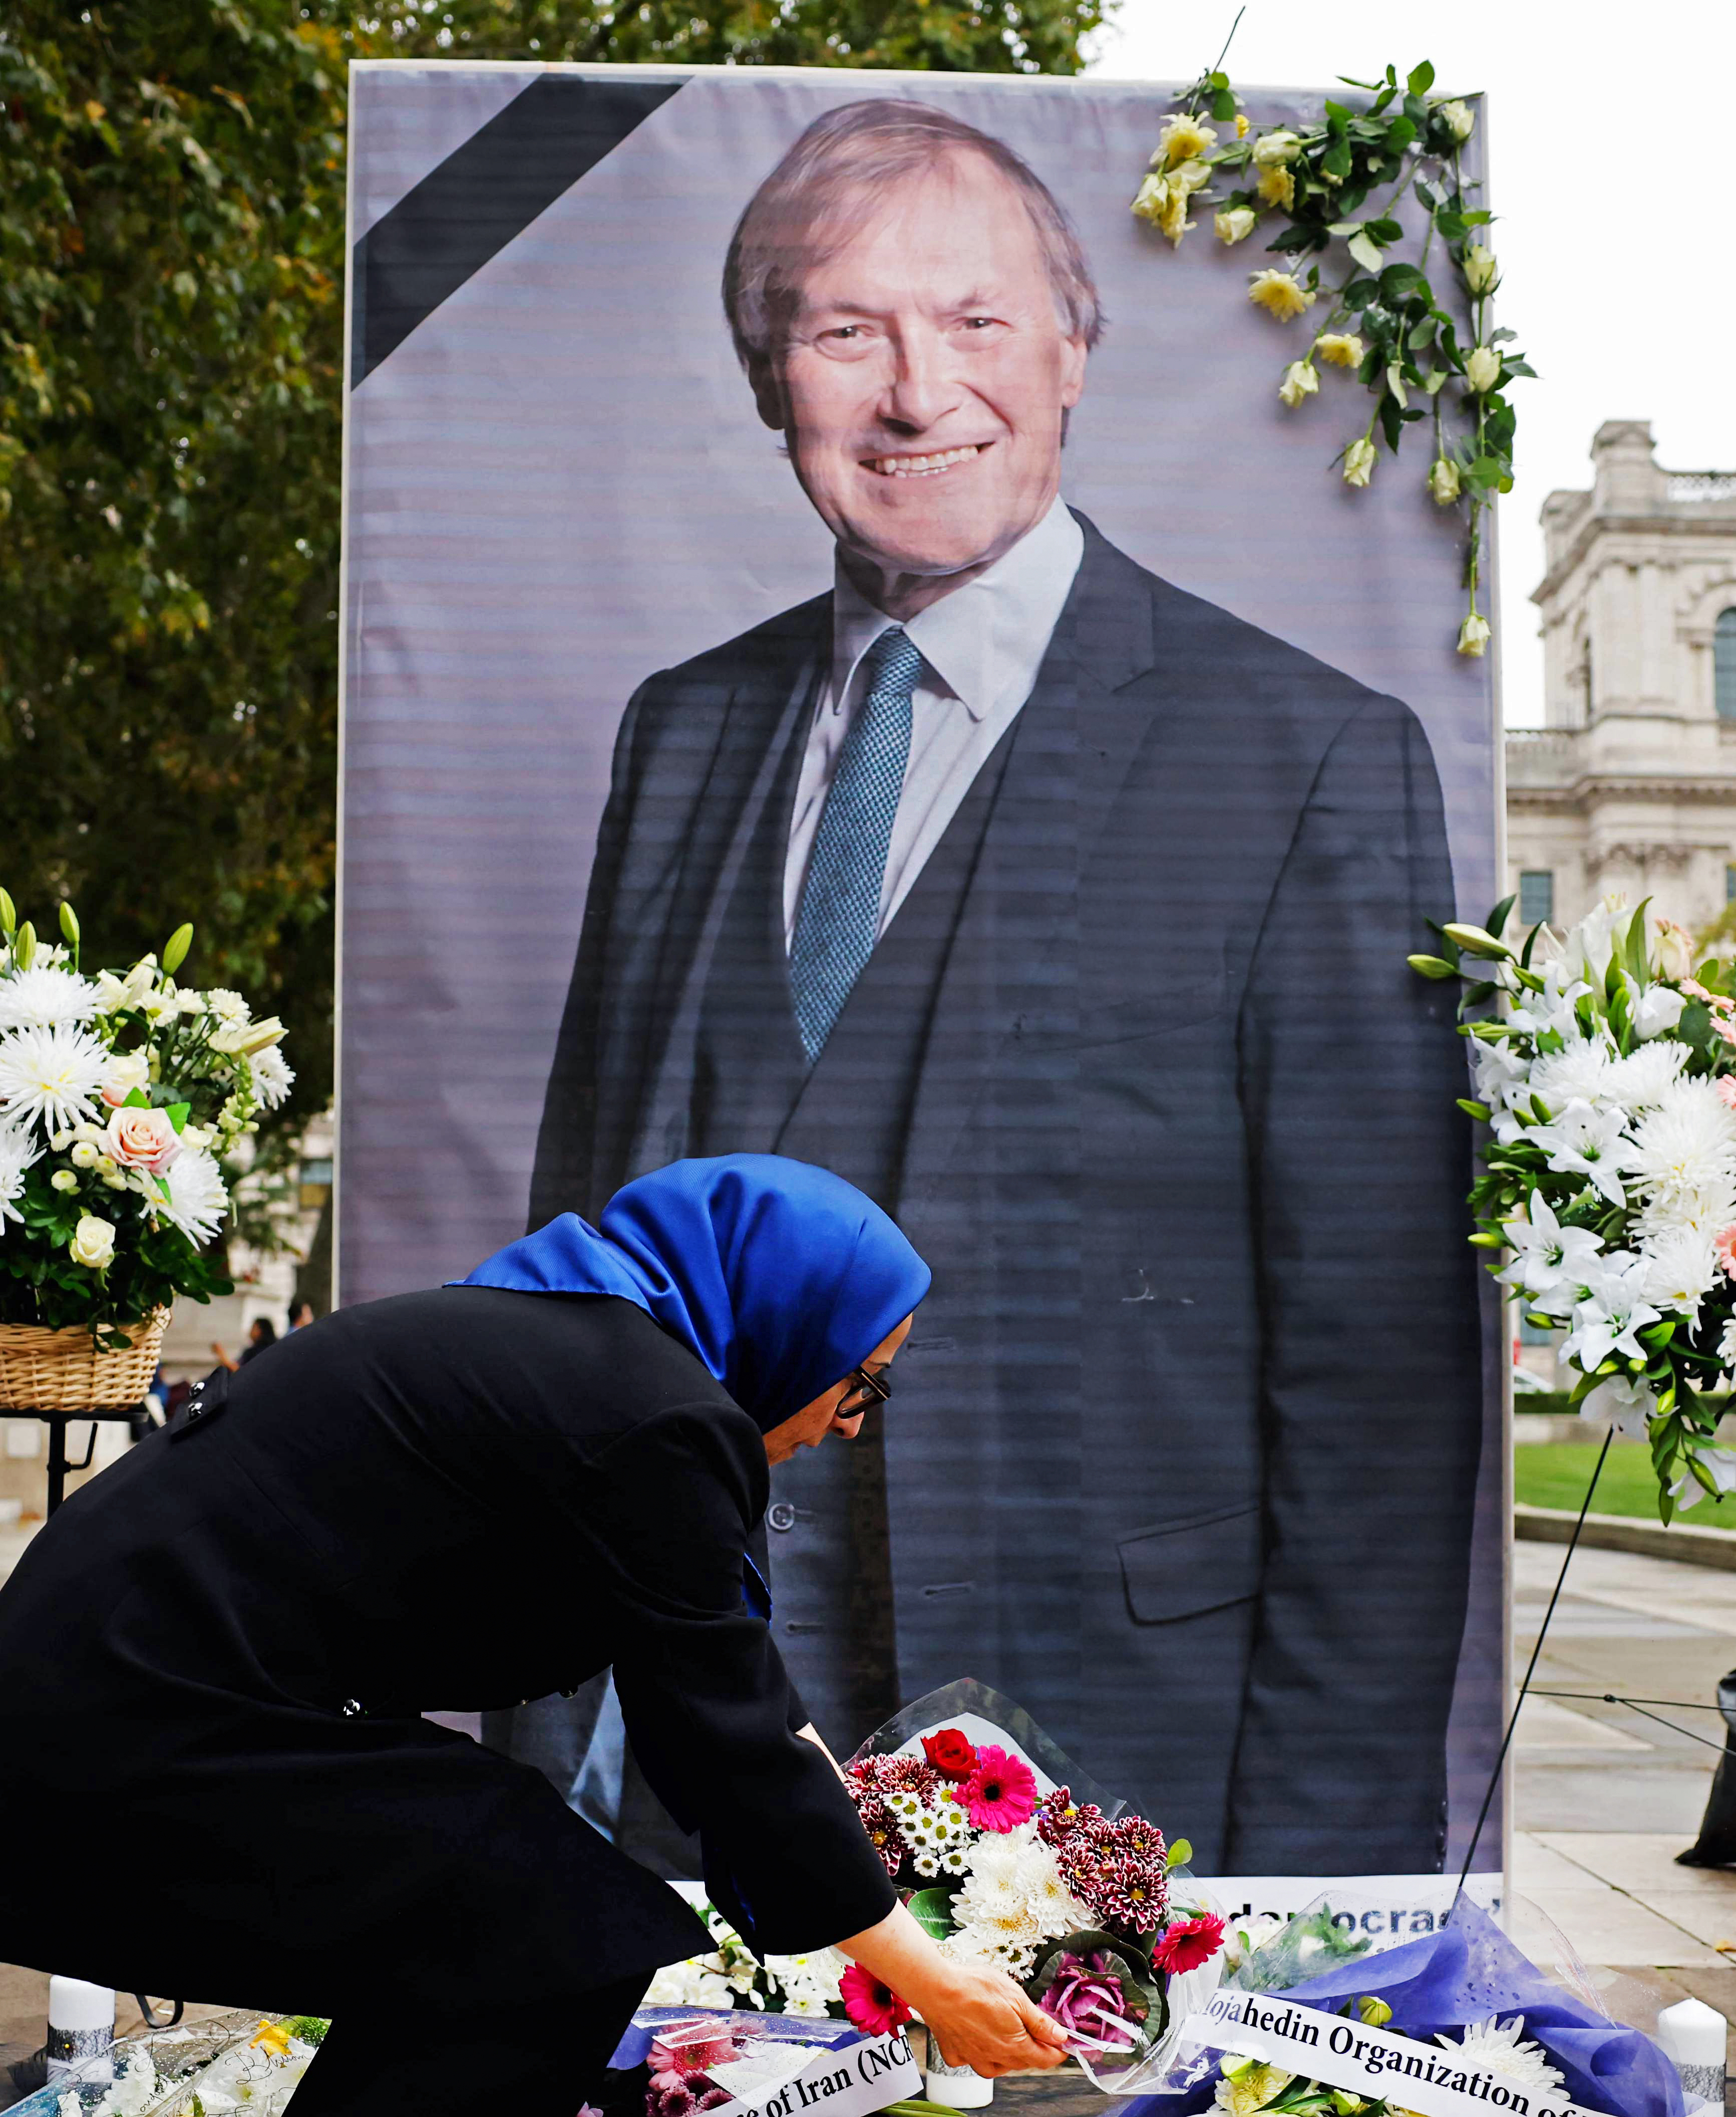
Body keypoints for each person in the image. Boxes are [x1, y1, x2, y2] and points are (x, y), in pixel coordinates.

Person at [521, 95, 1481, 1873]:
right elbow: (569, 1258)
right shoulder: (679, 730)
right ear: (769, 379)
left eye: (971, 321)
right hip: (681, 1762)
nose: (913, 389)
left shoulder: (1305, 756)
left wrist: (1331, 1887)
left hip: (1116, 1768)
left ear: (1073, 352)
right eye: (843, 328)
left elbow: (1382, 1391)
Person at [0, 1156, 1068, 2114]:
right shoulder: (649, 1413)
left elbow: (737, 1694)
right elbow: (730, 1735)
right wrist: (923, 1973)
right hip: (134, 1722)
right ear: (790, 1322)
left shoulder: (598, 1361)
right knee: (552, 1926)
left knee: (518, 1917)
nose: (849, 1426)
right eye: (861, 1384)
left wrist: (888, 1913)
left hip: (124, 1702)